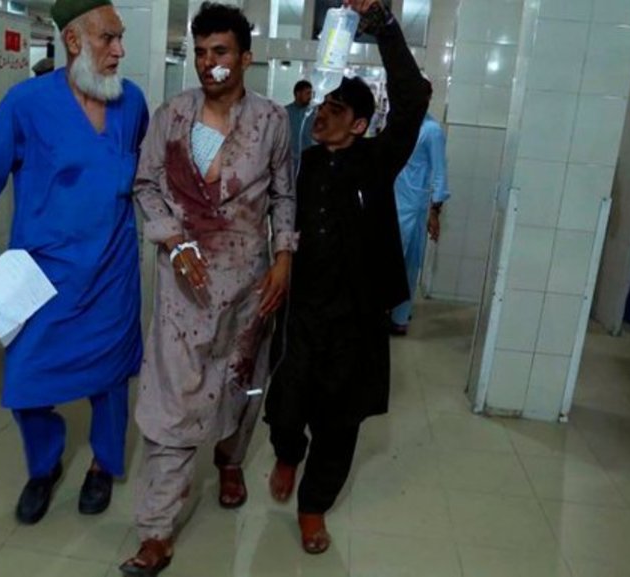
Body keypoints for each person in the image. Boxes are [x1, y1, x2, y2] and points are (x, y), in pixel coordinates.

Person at [0, 0, 148, 525]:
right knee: (26, 384)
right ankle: (44, 465)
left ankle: (103, 464)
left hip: (113, 274)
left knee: (111, 382)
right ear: (73, 41)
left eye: (120, 37)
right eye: (108, 38)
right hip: (44, 277)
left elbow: (148, 177)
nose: (120, 50)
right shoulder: (26, 104)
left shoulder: (132, 103)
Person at [120, 3, 297, 575]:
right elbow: (145, 185)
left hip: (249, 284)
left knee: (242, 381)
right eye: (199, 52)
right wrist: (174, 240)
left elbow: (284, 196)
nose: (207, 63)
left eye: (219, 52)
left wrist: (283, 258)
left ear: (245, 58)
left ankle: (229, 460)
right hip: (186, 285)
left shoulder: (271, 121)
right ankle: (156, 529)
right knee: (173, 399)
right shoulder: (172, 116)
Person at [263, 0, 431, 555]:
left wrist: (383, 25)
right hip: (302, 313)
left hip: (355, 321)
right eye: (325, 104)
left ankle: (313, 508)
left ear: (358, 125)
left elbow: (414, 98)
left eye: (336, 109)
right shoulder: (305, 163)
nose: (324, 114)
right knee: (286, 404)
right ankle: (287, 453)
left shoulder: (377, 160)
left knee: (340, 419)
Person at [390, 97, 449, 335]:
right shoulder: (399, 125)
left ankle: (400, 317)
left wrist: (434, 212)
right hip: (391, 202)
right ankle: (391, 312)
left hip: (414, 206)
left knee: (408, 264)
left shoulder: (432, 131)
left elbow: (440, 174)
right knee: (390, 262)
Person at [285, 79, 315, 174]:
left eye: (311, 94)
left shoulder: (314, 113)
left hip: (310, 160)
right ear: (298, 94)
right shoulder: (285, 113)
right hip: (289, 160)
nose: (310, 97)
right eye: (307, 93)